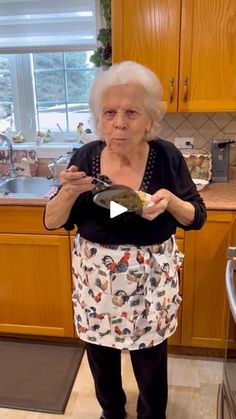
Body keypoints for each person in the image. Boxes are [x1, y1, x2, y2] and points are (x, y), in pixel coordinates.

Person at [44, 61, 206, 419]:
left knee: (150, 361)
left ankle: (152, 415)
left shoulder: (166, 156)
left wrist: (172, 201)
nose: (119, 122)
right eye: (110, 112)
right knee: (100, 357)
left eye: (131, 112)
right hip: (96, 280)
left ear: (149, 118)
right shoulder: (86, 157)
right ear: (99, 118)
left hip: (151, 280)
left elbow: (197, 217)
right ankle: (112, 413)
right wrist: (68, 194)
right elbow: (51, 222)